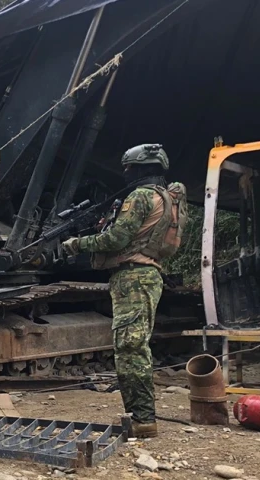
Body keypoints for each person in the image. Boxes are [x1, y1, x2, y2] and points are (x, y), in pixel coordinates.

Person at [61, 144, 186, 439]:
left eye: (128, 168)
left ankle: (143, 419)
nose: (126, 173)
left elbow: (117, 238)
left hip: (133, 276)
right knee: (134, 345)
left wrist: (76, 244)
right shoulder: (169, 198)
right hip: (147, 275)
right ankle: (140, 415)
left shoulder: (141, 196)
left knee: (130, 348)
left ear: (141, 168)